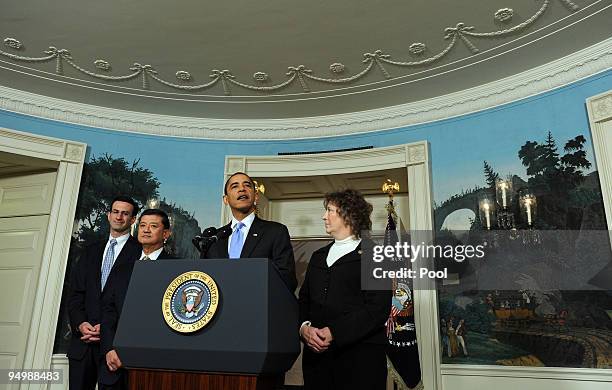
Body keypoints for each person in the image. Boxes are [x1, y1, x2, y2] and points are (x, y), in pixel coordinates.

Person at [298, 189, 391, 390]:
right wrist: (304, 328)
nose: (324, 216)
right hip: (317, 363)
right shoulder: (318, 256)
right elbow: (303, 300)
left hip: (360, 363)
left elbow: (377, 309)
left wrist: (334, 332)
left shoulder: (375, 254)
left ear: (349, 215)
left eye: (330, 210)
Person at [67, 196, 141, 390]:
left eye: (125, 213)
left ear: (133, 220)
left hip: (115, 346)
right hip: (83, 344)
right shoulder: (90, 250)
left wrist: (108, 327)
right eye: (115, 212)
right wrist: (80, 324)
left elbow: (135, 301)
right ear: (108, 215)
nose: (119, 217)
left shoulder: (140, 253)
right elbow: (75, 294)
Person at [99, 208, 174, 390]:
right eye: (142, 225)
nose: (146, 230)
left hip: (155, 366)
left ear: (166, 233)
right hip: (115, 365)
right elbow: (108, 313)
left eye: (153, 226)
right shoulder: (122, 269)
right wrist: (109, 349)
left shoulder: (175, 268)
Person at [205, 172, 297, 292]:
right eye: (235, 186)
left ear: (256, 196)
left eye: (247, 185)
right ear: (226, 199)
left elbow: (287, 279)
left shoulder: (276, 232)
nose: (242, 189)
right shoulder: (214, 238)